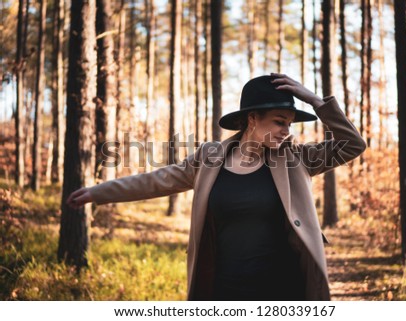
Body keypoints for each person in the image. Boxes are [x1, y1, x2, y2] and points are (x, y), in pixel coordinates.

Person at [67, 73, 366, 301]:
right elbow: (156, 181)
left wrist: (315, 100)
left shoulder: (297, 158)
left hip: (282, 292)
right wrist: (97, 192)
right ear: (252, 119)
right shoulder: (209, 159)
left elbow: (352, 144)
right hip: (223, 290)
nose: (286, 132)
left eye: (289, 124)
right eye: (279, 122)